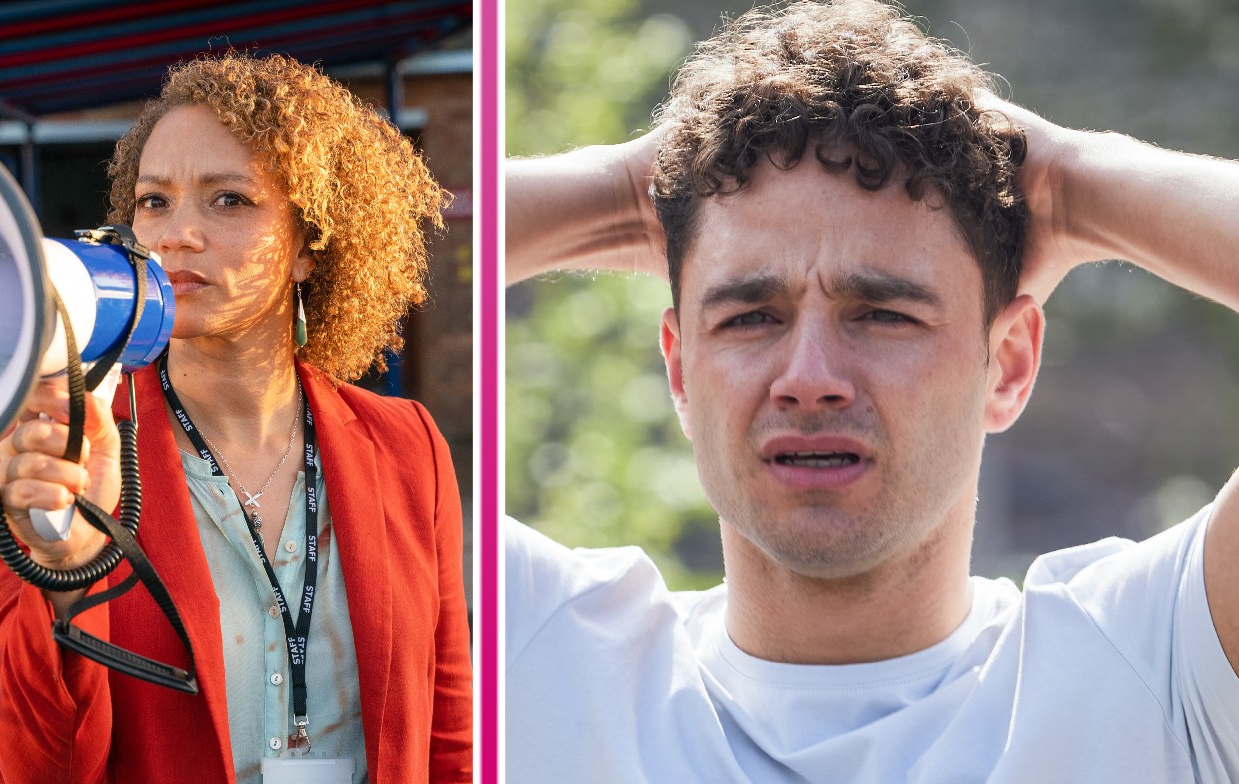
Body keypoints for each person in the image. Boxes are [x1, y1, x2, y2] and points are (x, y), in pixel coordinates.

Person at [505, 1, 1239, 781]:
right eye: (751, 316)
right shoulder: (540, 651)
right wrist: (622, 192)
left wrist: (1068, 181)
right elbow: (358, 260)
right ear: (679, 368)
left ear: (1011, 364)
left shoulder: (1159, 664)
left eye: (883, 315)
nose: (809, 380)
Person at [0, 53, 472, 784]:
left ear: (310, 243)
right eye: (154, 201)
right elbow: (33, 768)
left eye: (228, 200)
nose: (176, 234)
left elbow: (450, 735)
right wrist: (66, 572)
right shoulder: (64, 445)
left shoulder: (407, 445)